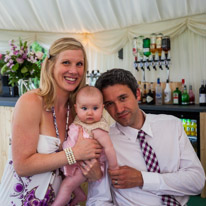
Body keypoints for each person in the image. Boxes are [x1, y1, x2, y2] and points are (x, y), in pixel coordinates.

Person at [0, 37, 103, 205]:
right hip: (20, 199)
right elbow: (22, 166)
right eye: (66, 63)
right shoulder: (31, 102)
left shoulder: (77, 109)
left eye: (79, 64)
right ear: (50, 65)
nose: (74, 71)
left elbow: (81, 162)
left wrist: (96, 170)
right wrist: (74, 154)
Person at [86, 68, 206, 206]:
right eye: (109, 104)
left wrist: (142, 179)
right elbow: (97, 200)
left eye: (123, 98)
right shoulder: (104, 142)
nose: (119, 109)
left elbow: (197, 182)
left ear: (137, 94)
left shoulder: (172, 125)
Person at [53, 85, 119, 206]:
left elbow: (109, 148)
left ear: (102, 108)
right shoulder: (78, 121)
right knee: (67, 179)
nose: (90, 113)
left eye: (95, 108)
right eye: (84, 108)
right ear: (76, 108)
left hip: (85, 165)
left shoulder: (98, 128)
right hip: (74, 160)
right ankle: (79, 194)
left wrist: (114, 168)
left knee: (67, 185)